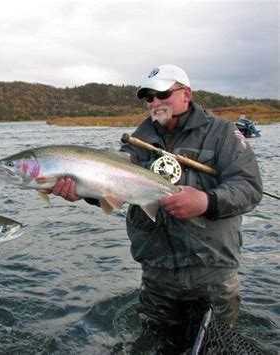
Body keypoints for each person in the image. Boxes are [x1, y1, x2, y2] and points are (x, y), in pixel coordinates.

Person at [44, 65, 263, 351]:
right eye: (148, 97)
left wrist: (206, 201)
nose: (154, 102)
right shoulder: (139, 140)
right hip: (157, 274)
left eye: (162, 93)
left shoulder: (223, 134)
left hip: (211, 272)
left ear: (187, 94)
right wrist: (82, 192)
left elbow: (249, 188)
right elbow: (112, 191)